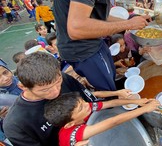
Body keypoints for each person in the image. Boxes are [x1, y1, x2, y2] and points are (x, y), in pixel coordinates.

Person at [53, 0, 150, 91]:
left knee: (110, 80)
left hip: (92, 46)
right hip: (85, 51)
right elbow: (77, 27)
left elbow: (100, 17)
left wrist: (131, 21)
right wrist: (128, 23)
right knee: (108, 92)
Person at [3, 52, 131, 146]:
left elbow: (90, 102)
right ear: (23, 86)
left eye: (58, 82)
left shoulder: (65, 78)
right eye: (45, 90)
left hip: (95, 133)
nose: (55, 92)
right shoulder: (15, 125)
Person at [44, 92, 159, 146]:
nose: (87, 105)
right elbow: (113, 121)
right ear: (69, 124)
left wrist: (136, 101)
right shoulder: (75, 133)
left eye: (83, 102)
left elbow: (110, 103)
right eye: (81, 108)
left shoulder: (85, 107)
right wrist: (144, 109)